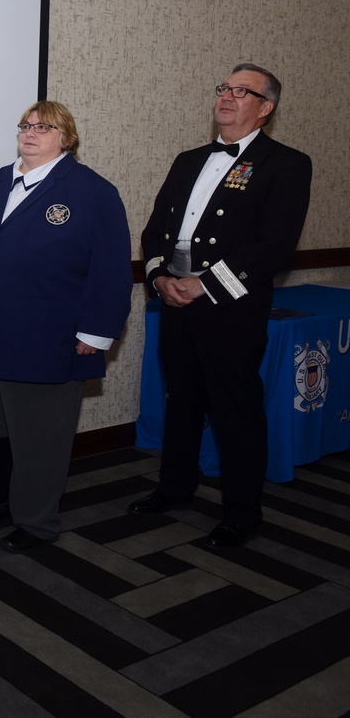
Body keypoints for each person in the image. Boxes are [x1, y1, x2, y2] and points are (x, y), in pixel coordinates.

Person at [129, 63, 312, 549]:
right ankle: (174, 489)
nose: (227, 97)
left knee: (236, 411)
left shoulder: (286, 164)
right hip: (175, 300)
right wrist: (160, 278)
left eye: (242, 91)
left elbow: (275, 245)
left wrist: (205, 285)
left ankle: (241, 512)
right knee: (181, 402)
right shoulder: (188, 159)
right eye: (224, 88)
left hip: (230, 306)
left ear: (266, 108)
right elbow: (154, 231)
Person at [0, 101, 132, 551]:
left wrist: (96, 331)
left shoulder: (92, 193)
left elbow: (110, 269)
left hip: (46, 338)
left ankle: (35, 522)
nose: (32, 131)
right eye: (26, 124)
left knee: (39, 438)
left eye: (45, 127)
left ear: (67, 138)